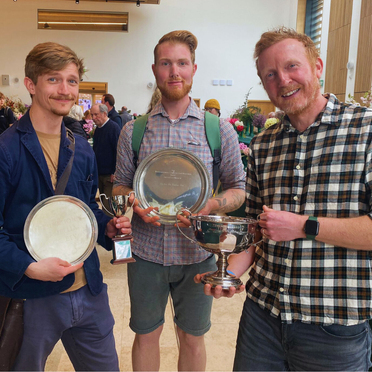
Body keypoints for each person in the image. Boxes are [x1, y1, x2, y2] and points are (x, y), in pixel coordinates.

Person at [197, 27, 372, 371]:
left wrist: (305, 226)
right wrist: (229, 274)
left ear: (317, 66)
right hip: (263, 317)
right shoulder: (264, 144)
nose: (283, 80)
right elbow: (258, 230)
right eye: (271, 75)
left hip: (335, 325)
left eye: (292, 67)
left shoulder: (365, 131)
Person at [0, 42, 132, 371]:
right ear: (31, 84)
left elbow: (86, 212)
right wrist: (30, 267)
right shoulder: (1, 153)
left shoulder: (82, 150)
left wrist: (110, 229)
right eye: (54, 80)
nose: (65, 90)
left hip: (88, 290)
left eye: (72, 81)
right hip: (30, 297)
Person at [113, 30, 246, 371]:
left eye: (182, 63)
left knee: (192, 336)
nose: (175, 71)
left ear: (194, 69)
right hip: (145, 252)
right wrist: (133, 201)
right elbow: (120, 187)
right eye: (166, 63)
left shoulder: (218, 130)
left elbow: (238, 189)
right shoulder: (134, 130)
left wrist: (211, 206)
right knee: (146, 334)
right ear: (155, 69)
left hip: (198, 254)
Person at [91, 103, 121, 210]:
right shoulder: (98, 129)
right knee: (103, 201)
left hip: (110, 175)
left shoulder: (113, 128)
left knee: (108, 205)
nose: (93, 118)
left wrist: (115, 172)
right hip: (99, 172)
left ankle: (109, 225)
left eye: (96, 115)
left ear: (104, 113)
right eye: (92, 115)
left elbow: (118, 151)